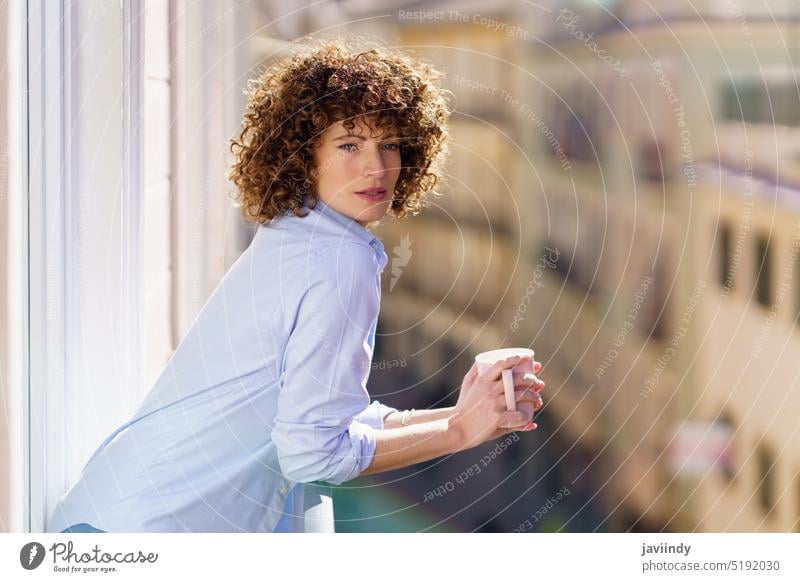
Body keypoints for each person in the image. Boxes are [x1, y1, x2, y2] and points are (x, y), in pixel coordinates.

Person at [47, 38, 545, 533]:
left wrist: (460, 412)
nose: (376, 168)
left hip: (103, 519)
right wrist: (459, 431)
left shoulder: (295, 233)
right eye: (349, 145)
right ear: (305, 156)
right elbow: (312, 454)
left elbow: (326, 418)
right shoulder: (338, 259)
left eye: (389, 143)